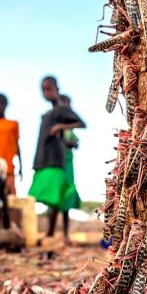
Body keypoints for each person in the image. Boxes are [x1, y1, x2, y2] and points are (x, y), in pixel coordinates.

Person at [28, 76, 85, 243]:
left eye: (49, 89)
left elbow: (78, 131)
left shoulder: (61, 111)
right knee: (52, 199)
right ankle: (51, 233)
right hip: (47, 160)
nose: (46, 93)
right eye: (43, 89)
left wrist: (61, 128)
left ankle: (55, 234)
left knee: (60, 199)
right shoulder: (49, 114)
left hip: (62, 163)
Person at [58, 94, 83, 238]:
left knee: (67, 195)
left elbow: (76, 144)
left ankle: (65, 234)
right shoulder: (53, 125)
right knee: (55, 197)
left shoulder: (69, 130)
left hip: (68, 164)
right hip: (57, 164)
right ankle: (51, 233)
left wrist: (68, 143)